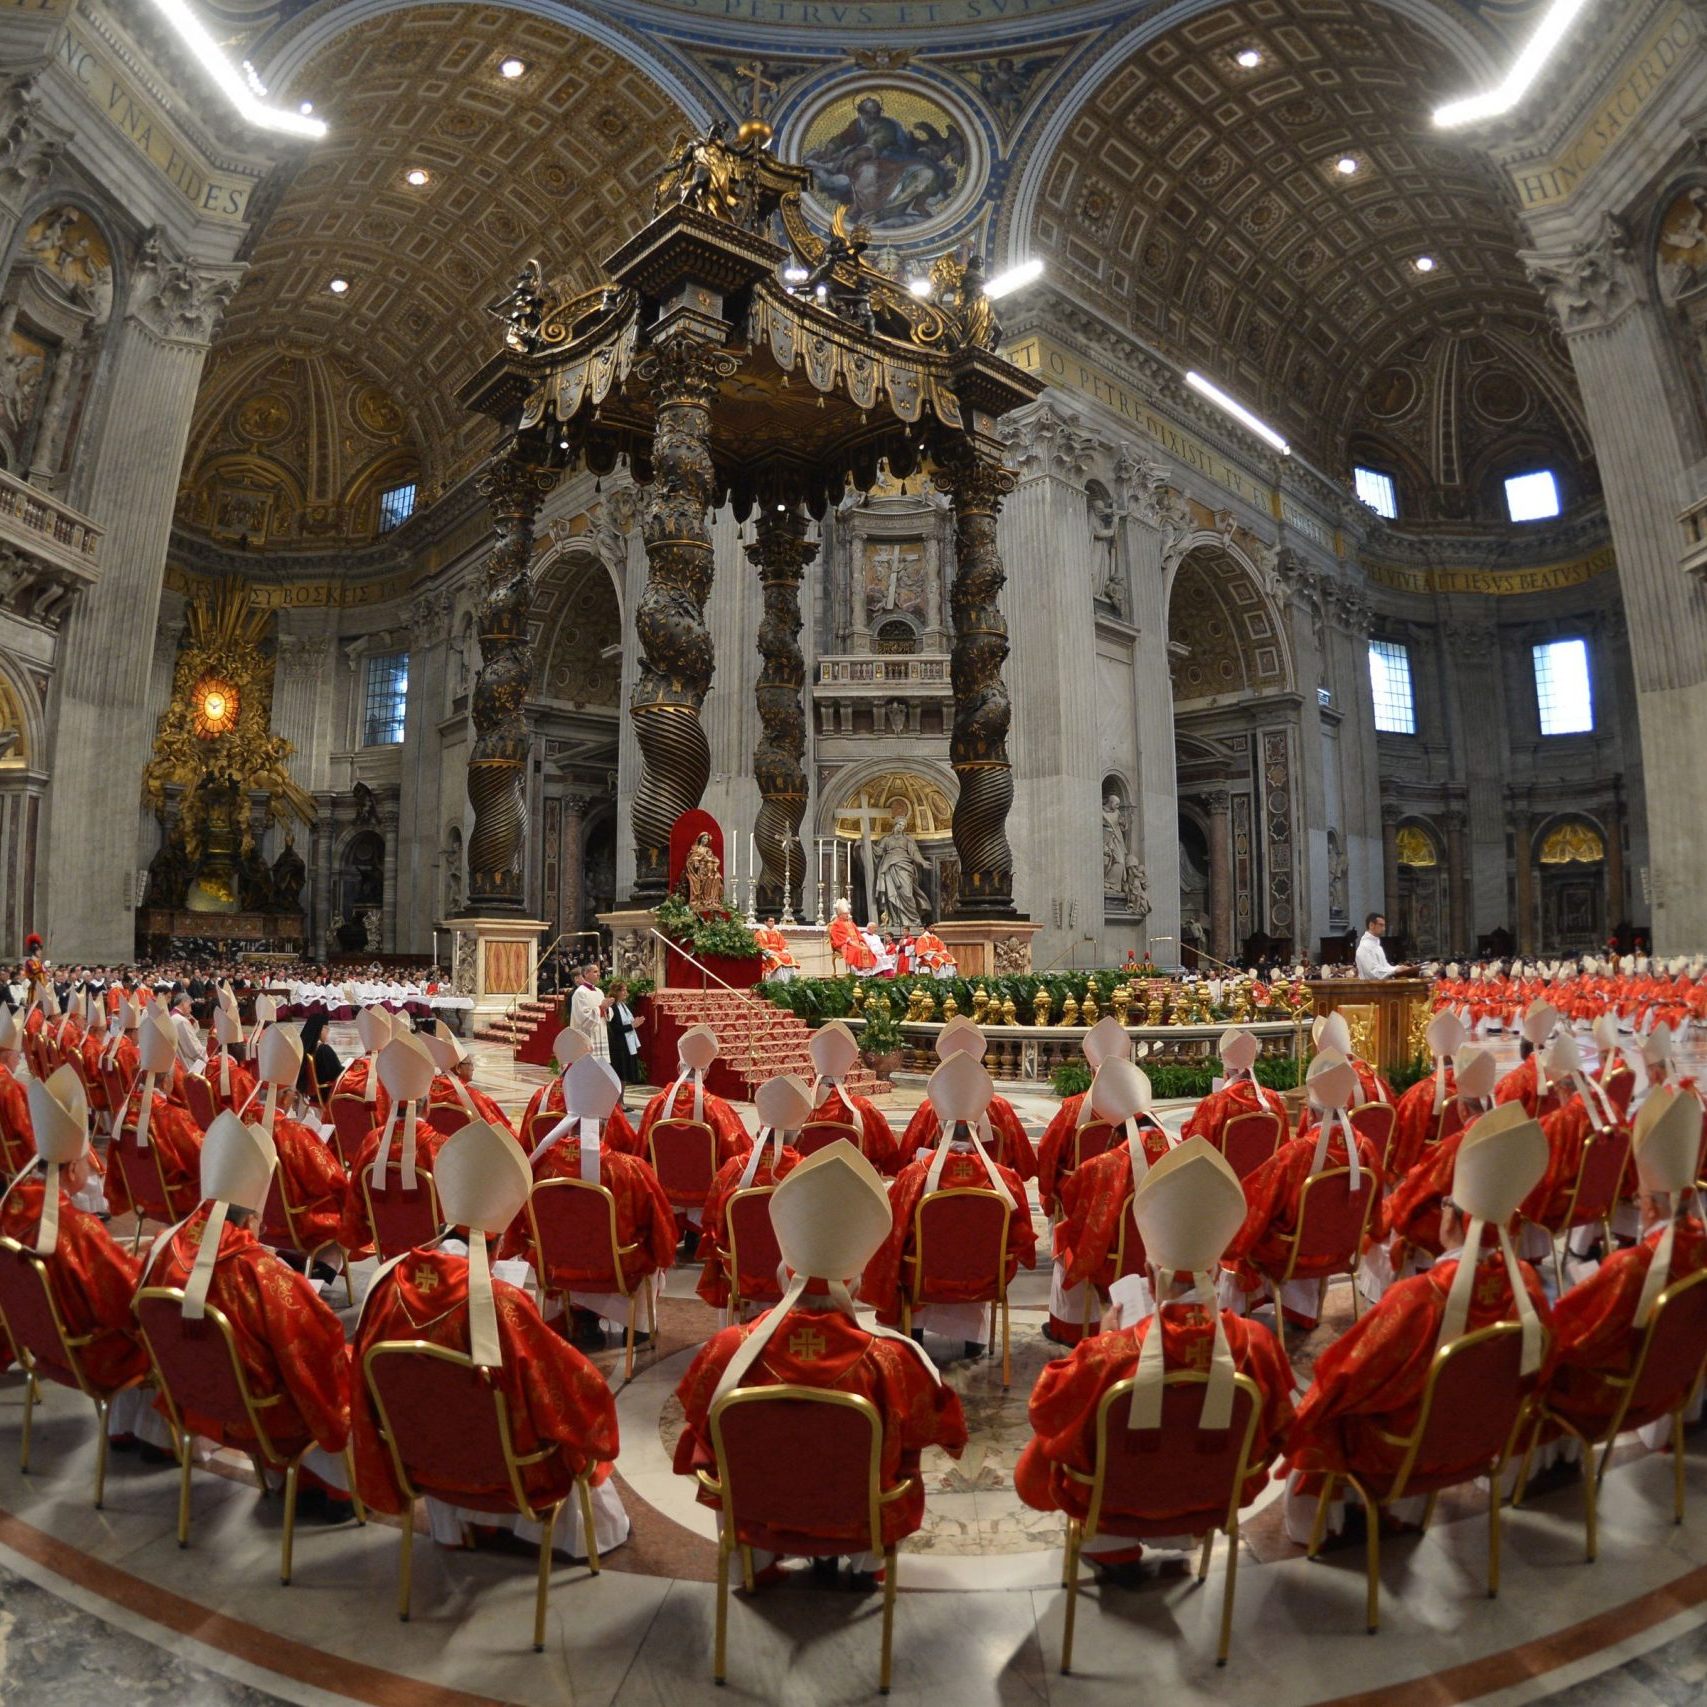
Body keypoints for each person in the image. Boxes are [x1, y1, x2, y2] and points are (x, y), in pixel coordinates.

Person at [672, 1142, 967, 1586]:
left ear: (783, 1267)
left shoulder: (728, 1349)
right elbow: (941, 1429)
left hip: (757, 1508)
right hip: (858, 1510)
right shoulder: (891, 1359)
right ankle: (864, 1563)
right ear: (858, 1276)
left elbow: (697, 1424)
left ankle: (755, 1561)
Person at [1016, 1139, 1294, 1579]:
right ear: (1219, 1273)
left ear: (1147, 1276)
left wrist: (1102, 1341)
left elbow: (1046, 1411)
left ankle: (1112, 1545)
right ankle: (1189, 1526)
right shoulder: (1257, 1344)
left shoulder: (1111, 1353)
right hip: (1213, 1495)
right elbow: (1280, 1428)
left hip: (1114, 1495)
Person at [349, 1121, 628, 1559]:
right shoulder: (503, 1304)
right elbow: (570, 1391)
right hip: (513, 1470)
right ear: (495, 1249)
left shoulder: (385, 1285)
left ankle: (459, 1525)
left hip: (417, 1458)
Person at [1281, 1103, 1554, 1543]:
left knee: (1328, 1415)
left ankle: (1326, 1525)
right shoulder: (1524, 1284)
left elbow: (1348, 1375)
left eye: (1446, 1204)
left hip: (1409, 1445)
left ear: (1455, 1218)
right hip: (1486, 1436)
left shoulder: (1421, 1296)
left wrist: (1308, 1408)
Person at [139, 1112, 353, 1490]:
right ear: (251, 1217)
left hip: (186, 1400)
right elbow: (316, 1349)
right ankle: (325, 1485)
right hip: (263, 1417)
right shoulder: (264, 1276)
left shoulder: (161, 1247)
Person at [1542, 1084, 1707, 1443]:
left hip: (1618, 1391)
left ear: (1649, 1206)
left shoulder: (1632, 1266)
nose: (1635, 1199)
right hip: (1679, 1377)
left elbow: (1573, 1336)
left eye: (1640, 1195)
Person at [0, 1066, 152, 1431]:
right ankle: (143, 1432)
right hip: (91, 1353)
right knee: (167, 1325)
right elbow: (128, 1295)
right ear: (71, 1172)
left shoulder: (12, 1204)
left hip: (42, 1344)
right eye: (86, 1160)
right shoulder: (78, 1227)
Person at [862, 1052, 1035, 1354]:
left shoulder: (914, 1177)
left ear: (939, 1129)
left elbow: (891, 1232)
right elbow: (1020, 1240)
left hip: (925, 1278)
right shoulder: (1005, 1180)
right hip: (986, 1278)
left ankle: (913, 1330)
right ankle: (973, 1340)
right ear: (980, 1129)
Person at [508, 1055, 677, 1350]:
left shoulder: (538, 1167)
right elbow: (662, 1231)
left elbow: (517, 1226)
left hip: (555, 1266)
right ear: (608, 1123)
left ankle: (573, 1314)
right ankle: (635, 1328)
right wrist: (664, 1255)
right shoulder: (629, 1169)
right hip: (617, 1268)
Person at [1220, 1052, 1383, 1332]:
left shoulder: (1299, 1153)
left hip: (1295, 1252)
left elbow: (1256, 1201)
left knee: (1239, 1231)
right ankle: (1303, 1309)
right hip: (1343, 1250)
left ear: (1312, 1111)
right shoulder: (1366, 1147)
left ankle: (1234, 1318)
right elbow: (1376, 1209)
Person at [1049, 1056, 1175, 1344]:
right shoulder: (1182, 1150)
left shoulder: (1103, 1167)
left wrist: (1050, 1194)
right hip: (1172, 1260)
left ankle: (1071, 1330)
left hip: (1116, 1263)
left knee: (1064, 1239)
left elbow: (1078, 1213)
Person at [694, 1074, 811, 1313]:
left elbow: (711, 1224)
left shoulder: (732, 1170)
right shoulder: (813, 1174)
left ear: (758, 1134)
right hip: (799, 1277)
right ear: (800, 1138)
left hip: (740, 1271)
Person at [896, 1018, 1037, 1179]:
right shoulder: (1001, 1108)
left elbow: (903, 1164)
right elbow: (1026, 1166)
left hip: (935, 1192)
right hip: (993, 1190)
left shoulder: (929, 1108)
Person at [1036, 1016, 1134, 1212]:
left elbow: (1048, 1151)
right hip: (1125, 1196)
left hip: (1076, 1193)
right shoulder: (1138, 1109)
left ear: (1091, 1073)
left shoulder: (1073, 1109)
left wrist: (1048, 1191)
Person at [635, 1024, 749, 1160]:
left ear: (678, 1068)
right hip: (708, 1181)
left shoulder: (655, 1104)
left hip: (659, 1181)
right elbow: (740, 1157)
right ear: (706, 1073)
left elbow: (640, 1152)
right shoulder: (718, 1109)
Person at [521, 1028, 642, 1153]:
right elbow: (626, 1142)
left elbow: (526, 1145)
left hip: (550, 1166)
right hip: (597, 1166)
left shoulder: (540, 1097)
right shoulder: (602, 1096)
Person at [805, 1020, 898, 1172]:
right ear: (846, 1076)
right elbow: (889, 1155)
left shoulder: (797, 1107)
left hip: (806, 1184)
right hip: (855, 1185)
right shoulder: (863, 1108)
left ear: (813, 1073)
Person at [1179, 1025, 1289, 1153]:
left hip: (1223, 1173)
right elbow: (1284, 1145)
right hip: (1266, 1172)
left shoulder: (1215, 1103)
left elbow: (1194, 1146)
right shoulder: (1273, 1099)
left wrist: (1187, 1126)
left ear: (1226, 1074)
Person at [420, 1020, 515, 1135]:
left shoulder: (423, 1092)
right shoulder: (475, 1097)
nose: (473, 1068)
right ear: (458, 1068)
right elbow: (502, 1133)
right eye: (470, 1064)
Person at [0, 1006, 34, 1174]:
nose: (19, 1059)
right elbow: (23, 1127)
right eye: (17, 1055)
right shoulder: (8, 1084)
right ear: (6, 1057)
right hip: (15, 1154)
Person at [297, 1011, 343, 1108]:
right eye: (327, 1029)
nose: (328, 1032)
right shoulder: (323, 1050)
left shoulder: (305, 1048)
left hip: (312, 1094)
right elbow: (337, 1073)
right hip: (326, 1093)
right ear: (321, 1029)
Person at [568, 964, 611, 1063]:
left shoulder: (599, 992)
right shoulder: (580, 993)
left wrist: (607, 1009)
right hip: (587, 1036)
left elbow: (605, 1013)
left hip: (600, 1035)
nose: (599, 974)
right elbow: (583, 1017)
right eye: (595, 972)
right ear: (586, 974)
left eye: (598, 972)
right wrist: (601, 1008)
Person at [605, 980, 644, 1088]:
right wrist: (632, 1025)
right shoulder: (612, 1007)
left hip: (626, 1043)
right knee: (619, 1075)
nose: (626, 992)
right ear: (616, 992)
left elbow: (626, 1022)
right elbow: (615, 1028)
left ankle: (621, 1102)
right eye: (623, 990)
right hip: (618, 1045)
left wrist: (634, 1023)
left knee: (624, 1077)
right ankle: (618, 1102)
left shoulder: (622, 1005)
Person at [1355, 912, 1415, 980]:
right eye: (1381, 925)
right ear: (1371, 925)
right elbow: (1373, 973)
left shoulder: (1377, 946)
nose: (1384, 929)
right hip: (1371, 988)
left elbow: (1385, 968)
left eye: (1384, 925)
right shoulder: (1365, 947)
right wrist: (1395, 970)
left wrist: (1399, 968)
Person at [828, 897, 877, 973]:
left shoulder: (851, 923)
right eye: (845, 914)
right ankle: (855, 971)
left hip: (855, 943)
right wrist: (848, 941)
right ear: (840, 914)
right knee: (857, 950)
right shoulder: (836, 924)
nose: (847, 915)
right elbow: (837, 936)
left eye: (848, 914)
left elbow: (857, 933)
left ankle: (865, 970)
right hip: (845, 944)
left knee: (867, 948)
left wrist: (861, 940)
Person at [754, 917, 799, 981]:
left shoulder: (777, 933)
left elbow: (783, 944)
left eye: (773, 921)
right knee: (777, 960)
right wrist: (771, 952)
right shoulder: (760, 933)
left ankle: (790, 981)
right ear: (765, 922)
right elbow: (760, 946)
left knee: (789, 958)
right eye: (770, 921)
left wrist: (784, 950)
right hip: (768, 953)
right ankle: (779, 981)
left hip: (778, 952)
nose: (772, 923)